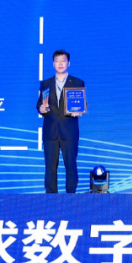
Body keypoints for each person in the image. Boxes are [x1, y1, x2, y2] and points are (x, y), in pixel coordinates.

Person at [37, 49, 85, 193]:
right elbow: (39, 103)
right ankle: (51, 197)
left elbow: (82, 103)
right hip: (50, 131)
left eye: (63, 60)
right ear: (53, 64)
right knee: (50, 167)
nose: (60, 63)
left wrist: (80, 110)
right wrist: (41, 108)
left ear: (68, 63)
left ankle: (71, 197)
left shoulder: (77, 82)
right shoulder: (45, 83)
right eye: (57, 61)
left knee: (71, 166)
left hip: (69, 131)